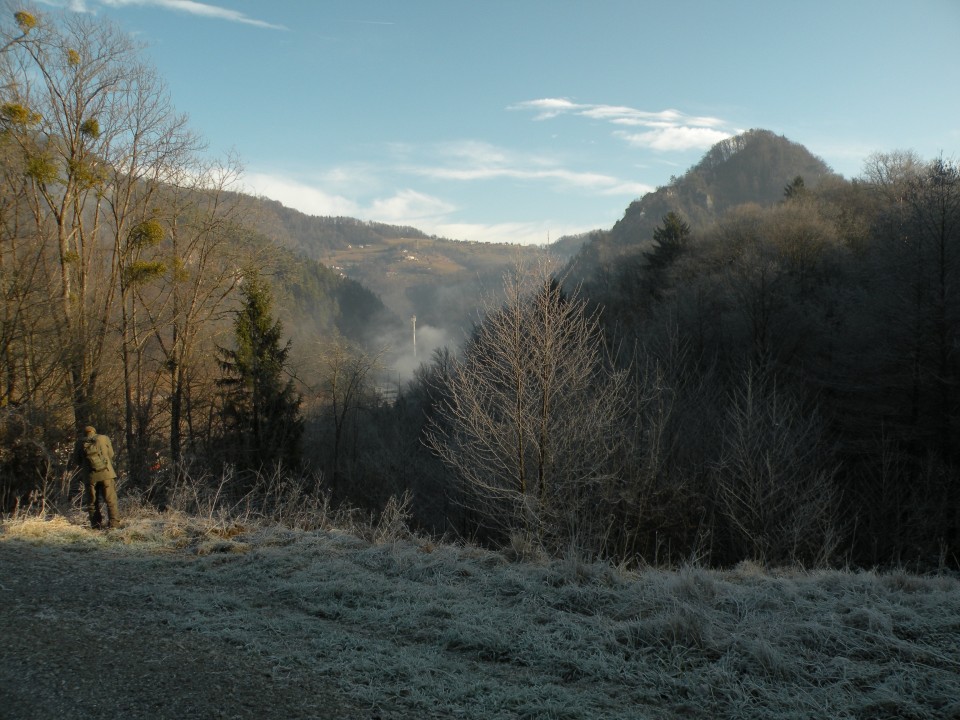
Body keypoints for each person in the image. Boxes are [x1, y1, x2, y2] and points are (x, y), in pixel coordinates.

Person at [80, 425, 120, 529]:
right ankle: (114, 525)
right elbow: (111, 454)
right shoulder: (104, 438)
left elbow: (76, 460)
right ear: (94, 431)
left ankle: (96, 526)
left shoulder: (79, 442)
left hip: (90, 477)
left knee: (92, 502)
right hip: (106, 473)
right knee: (111, 501)